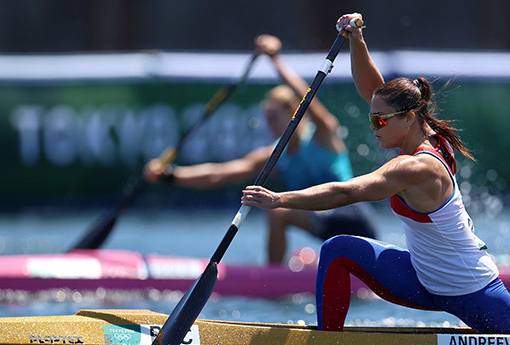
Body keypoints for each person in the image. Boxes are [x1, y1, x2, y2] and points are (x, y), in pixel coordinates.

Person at [241, 13, 510, 336]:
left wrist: (279, 200)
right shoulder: (421, 131)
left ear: (409, 118)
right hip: (421, 279)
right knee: (336, 250)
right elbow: (374, 91)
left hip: (471, 289)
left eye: (379, 122)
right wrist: (356, 40)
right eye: (372, 119)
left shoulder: (416, 167)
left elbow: (348, 192)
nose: (373, 128)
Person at [145, 34, 378, 264]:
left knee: (278, 213)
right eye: (266, 118)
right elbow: (220, 173)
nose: (269, 125)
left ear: (293, 111)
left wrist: (275, 60)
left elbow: (308, 96)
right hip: (325, 222)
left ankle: (272, 280)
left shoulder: (323, 135)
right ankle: (279, 277)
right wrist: (170, 175)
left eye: (274, 117)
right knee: (282, 217)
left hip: (353, 217)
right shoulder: (274, 154)